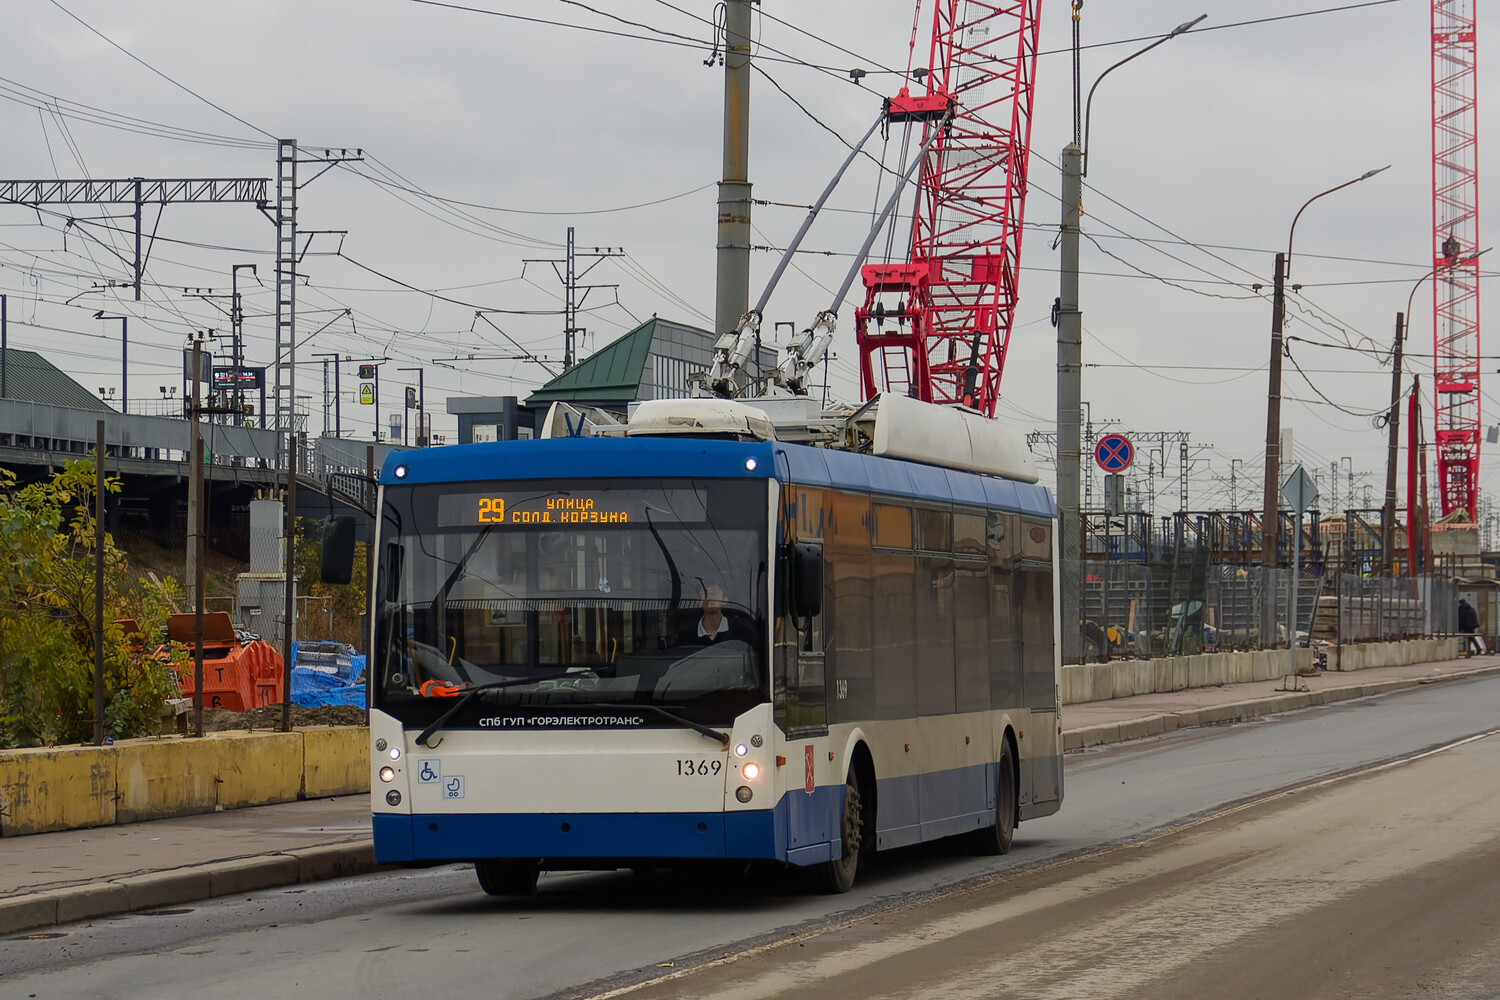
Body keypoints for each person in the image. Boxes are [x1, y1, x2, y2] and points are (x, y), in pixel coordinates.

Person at [675, 582, 756, 648]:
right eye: (705, 593)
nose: (710, 597)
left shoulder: (742, 632)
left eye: (715, 592)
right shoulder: (685, 637)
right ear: (699, 601)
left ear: (725, 600)